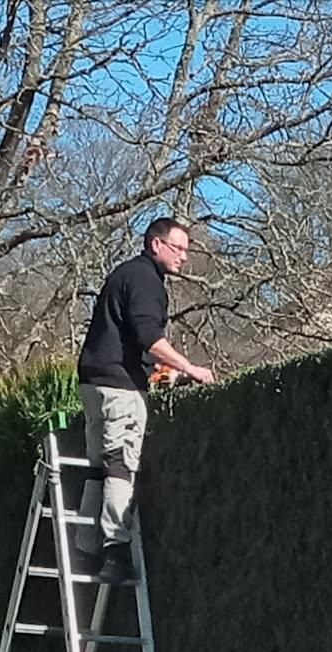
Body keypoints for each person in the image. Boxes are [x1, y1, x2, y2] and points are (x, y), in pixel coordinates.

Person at [76, 218, 215, 583]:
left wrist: (163, 369)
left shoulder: (124, 274)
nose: (184, 256)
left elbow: (132, 341)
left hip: (93, 383)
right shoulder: (146, 280)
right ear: (156, 244)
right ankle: (115, 552)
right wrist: (191, 368)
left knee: (100, 468)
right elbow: (149, 336)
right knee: (121, 466)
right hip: (120, 390)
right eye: (178, 248)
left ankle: (85, 549)